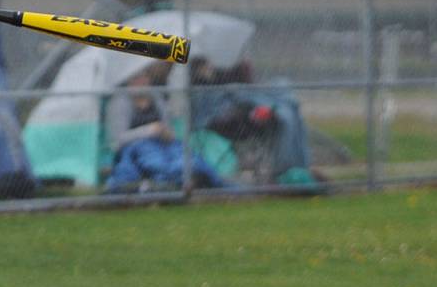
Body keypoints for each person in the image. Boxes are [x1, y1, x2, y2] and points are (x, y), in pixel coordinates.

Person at [189, 58, 315, 185]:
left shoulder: (224, 78)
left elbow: (240, 94)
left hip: (249, 111)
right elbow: (212, 112)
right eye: (205, 67)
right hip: (233, 118)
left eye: (209, 66)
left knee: (283, 95)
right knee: (283, 111)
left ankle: (293, 170)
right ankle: (287, 171)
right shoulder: (202, 91)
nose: (209, 69)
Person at [105, 61, 228, 192]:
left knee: (187, 154)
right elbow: (119, 140)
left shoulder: (156, 97)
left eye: (144, 77)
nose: (141, 81)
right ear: (129, 81)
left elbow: (167, 126)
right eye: (136, 78)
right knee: (155, 159)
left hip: (163, 143)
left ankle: (203, 178)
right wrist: (149, 130)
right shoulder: (120, 103)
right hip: (136, 148)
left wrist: (167, 133)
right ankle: (171, 183)